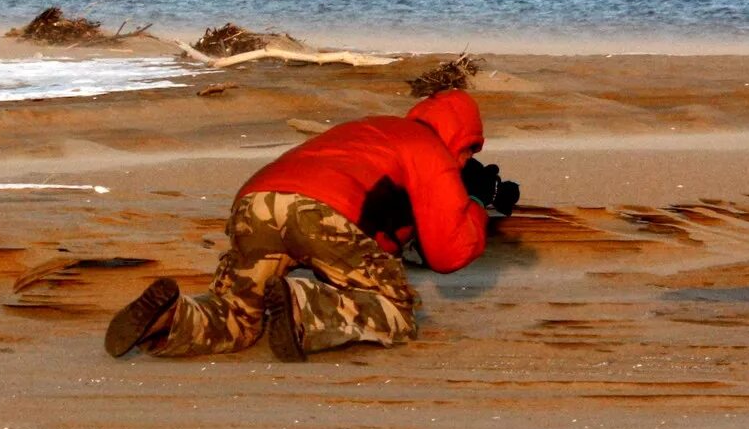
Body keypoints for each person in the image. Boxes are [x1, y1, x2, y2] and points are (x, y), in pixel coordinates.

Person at [104, 90, 518, 362]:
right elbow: (450, 253)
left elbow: (387, 234)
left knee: (236, 314)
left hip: (256, 202)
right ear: (458, 139)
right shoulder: (429, 147)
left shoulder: (363, 131)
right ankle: (305, 306)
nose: (464, 162)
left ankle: (170, 318)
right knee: (396, 309)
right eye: (467, 152)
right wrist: (477, 202)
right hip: (320, 212)